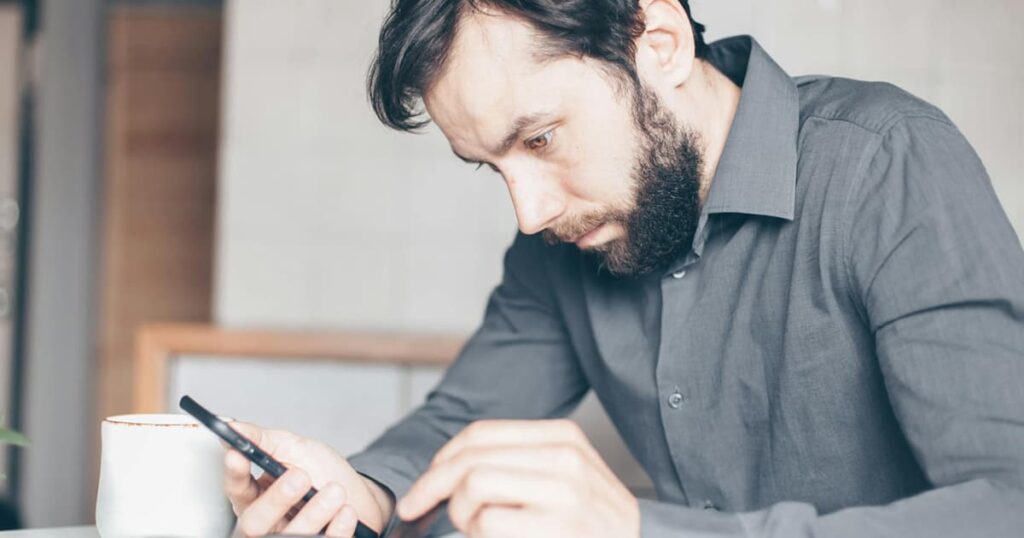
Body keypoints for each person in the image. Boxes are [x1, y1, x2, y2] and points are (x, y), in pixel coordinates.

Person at [222, 0, 1024, 536]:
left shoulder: (886, 164)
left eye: (538, 139)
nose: (529, 213)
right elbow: (454, 425)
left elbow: (1009, 504)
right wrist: (362, 492)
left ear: (660, 46)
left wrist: (636, 529)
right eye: (490, 165)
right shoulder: (563, 239)